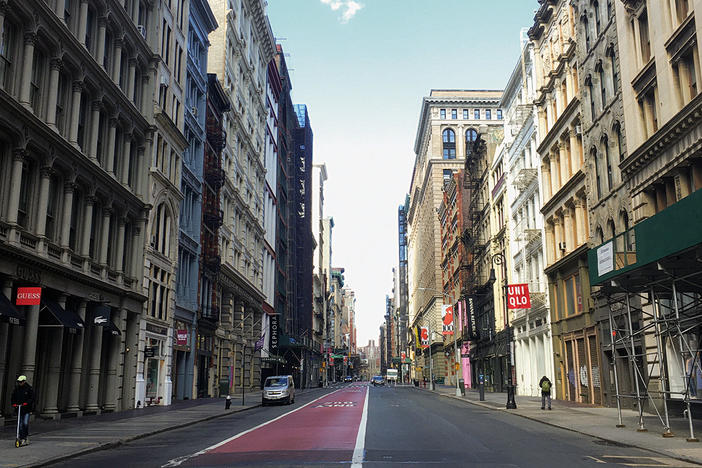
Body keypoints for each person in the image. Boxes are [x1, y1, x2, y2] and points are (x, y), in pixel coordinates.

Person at [11, 375, 35, 446]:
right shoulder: (17, 389)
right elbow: (13, 397)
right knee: (20, 425)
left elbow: (32, 398)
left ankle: (25, 437)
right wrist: (14, 404)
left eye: (21, 382)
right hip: (19, 409)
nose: (20, 383)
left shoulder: (29, 389)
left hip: (26, 409)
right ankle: (21, 437)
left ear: (24, 381)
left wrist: (27, 403)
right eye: (19, 382)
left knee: (25, 423)